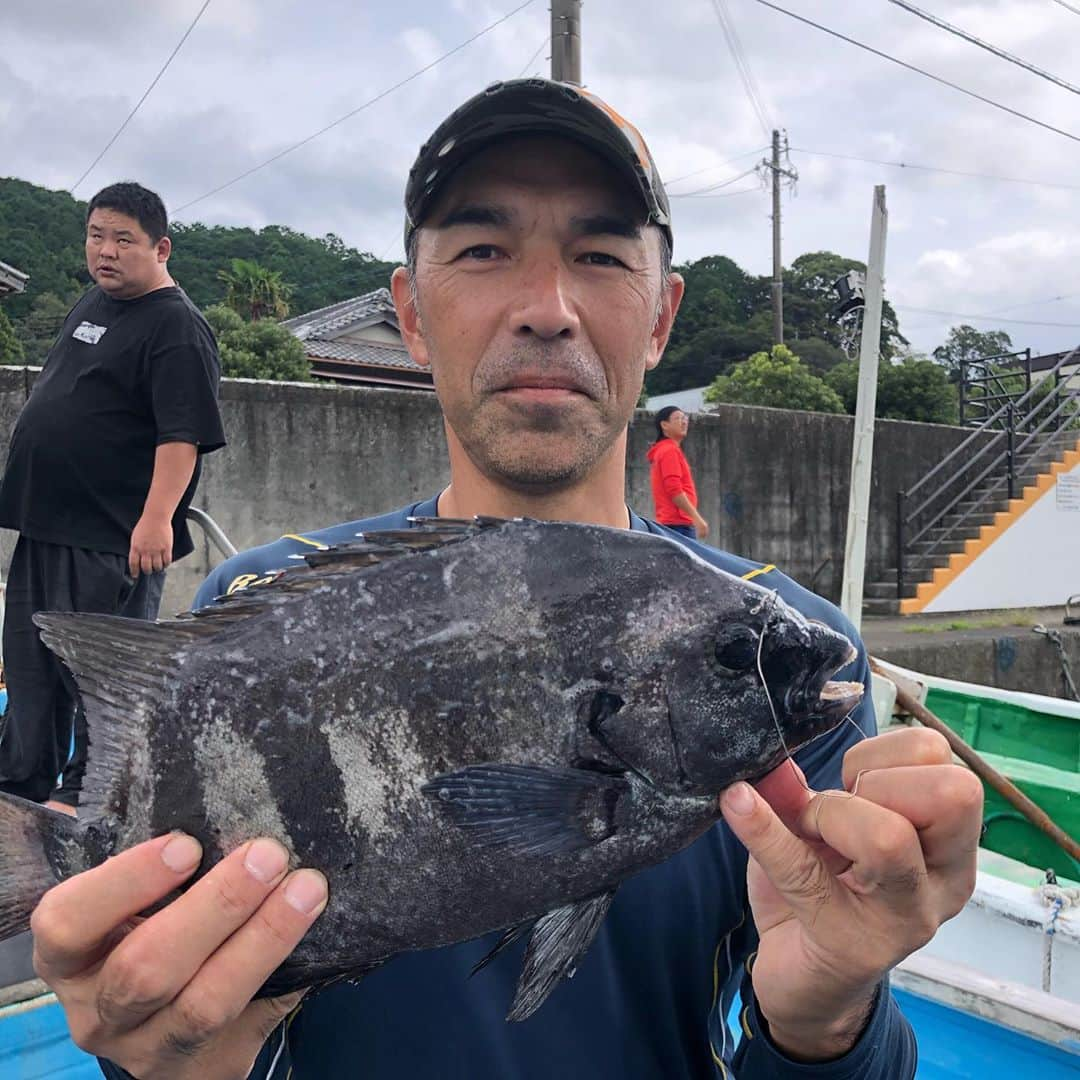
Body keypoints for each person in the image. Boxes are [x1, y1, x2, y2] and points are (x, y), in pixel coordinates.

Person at [28, 81, 982, 1080]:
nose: (547, 309)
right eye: (483, 251)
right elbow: (189, 1031)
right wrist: (165, 1053)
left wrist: (828, 1017)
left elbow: (816, 1027)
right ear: (410, 314)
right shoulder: (259, 603)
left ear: (662, 316)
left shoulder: (786, 658)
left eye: (601, 255)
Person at [0, 182, 226, 811]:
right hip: (46, 524)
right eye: (97, 235)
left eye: (123, 239)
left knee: (101, 675)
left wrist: (157, 521)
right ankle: (19, 791)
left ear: (161, 248)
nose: (106, 251)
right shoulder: (93, 301)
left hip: (112, 538)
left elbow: (183, 435)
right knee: (29, 667)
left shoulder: (177, 327)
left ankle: (85, 803)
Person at [647, 405, 709, 539]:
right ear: (664, 425)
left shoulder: (665, 450)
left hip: (674, 523)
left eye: (685, 418)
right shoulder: (669, 451)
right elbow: (674, 489)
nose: (684, 422)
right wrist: (696, 518)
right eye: (678, 418)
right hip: (678, 525)